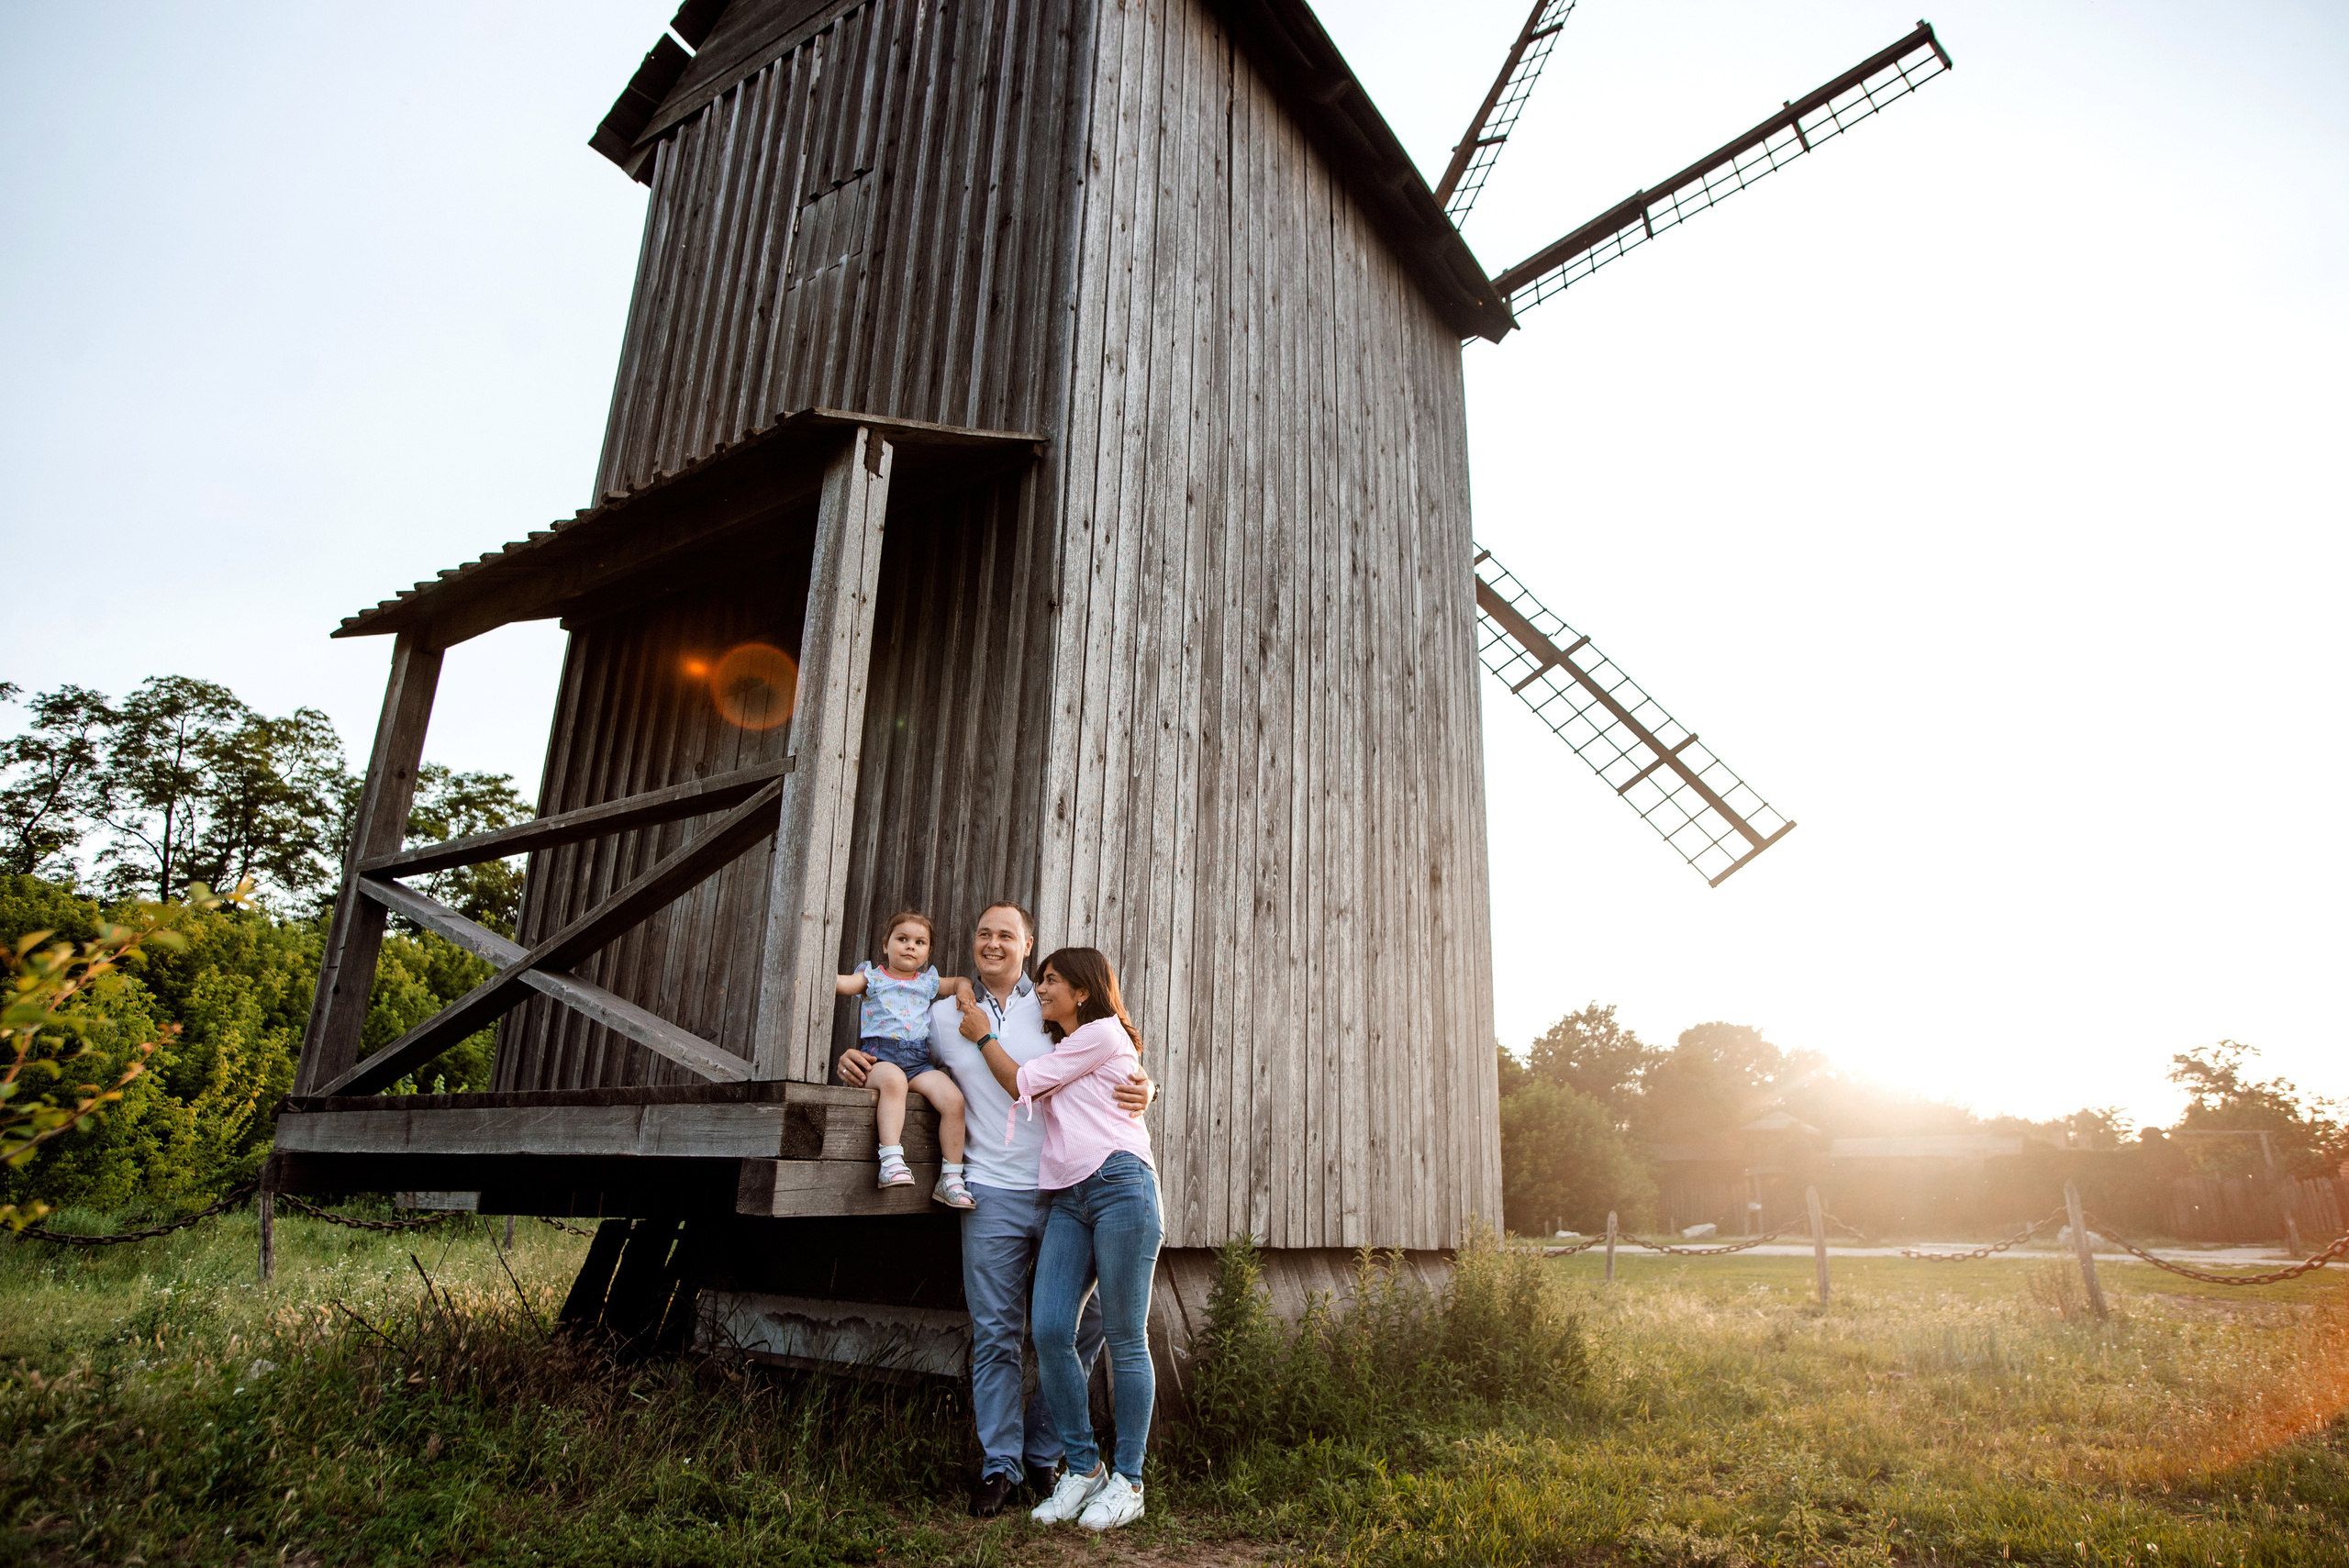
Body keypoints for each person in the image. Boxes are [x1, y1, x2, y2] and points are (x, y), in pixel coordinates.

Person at [833, 902, 1155, 1517]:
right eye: (983, 933)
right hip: (989, 1190)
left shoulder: (1056, 1008)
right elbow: (894, 1054)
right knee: (997, 1335)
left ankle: (1047, 1451)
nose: (994, 943)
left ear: (1028, 944)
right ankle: (1002, 1463)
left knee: (1083, 1326)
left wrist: (1148, 1085)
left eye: (1007, 934)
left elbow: (1114, 1057)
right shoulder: (939, 1014)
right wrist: (858, 1063)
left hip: (1068, 1190)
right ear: (973, 944)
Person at [973, 946, 1160, 1534]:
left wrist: (982, 1037)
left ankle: (1128, 1481)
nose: (1043, 988)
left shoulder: (1101, 1032)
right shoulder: (1077, 1045)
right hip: (1069, 1198)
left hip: (1119, 1186)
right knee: (1052, 1328)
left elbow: (1019, 1082)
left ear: (1082, 991)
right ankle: (1083, 1469)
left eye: (1051, 980)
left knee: (1127, 1337)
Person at [834, 909, 974, 1206]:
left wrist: (964, 992)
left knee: (954, 1099)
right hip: (878, 1058)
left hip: (918, 1061)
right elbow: (840, 984)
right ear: (886, 945)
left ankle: (951, 1177)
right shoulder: (871, 978)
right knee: (895, 1082)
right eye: (902, 939)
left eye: (920, 942)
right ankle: (891, 1160)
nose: (911, 946)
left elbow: (960, 981)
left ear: (928, 951)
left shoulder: (927, 982)